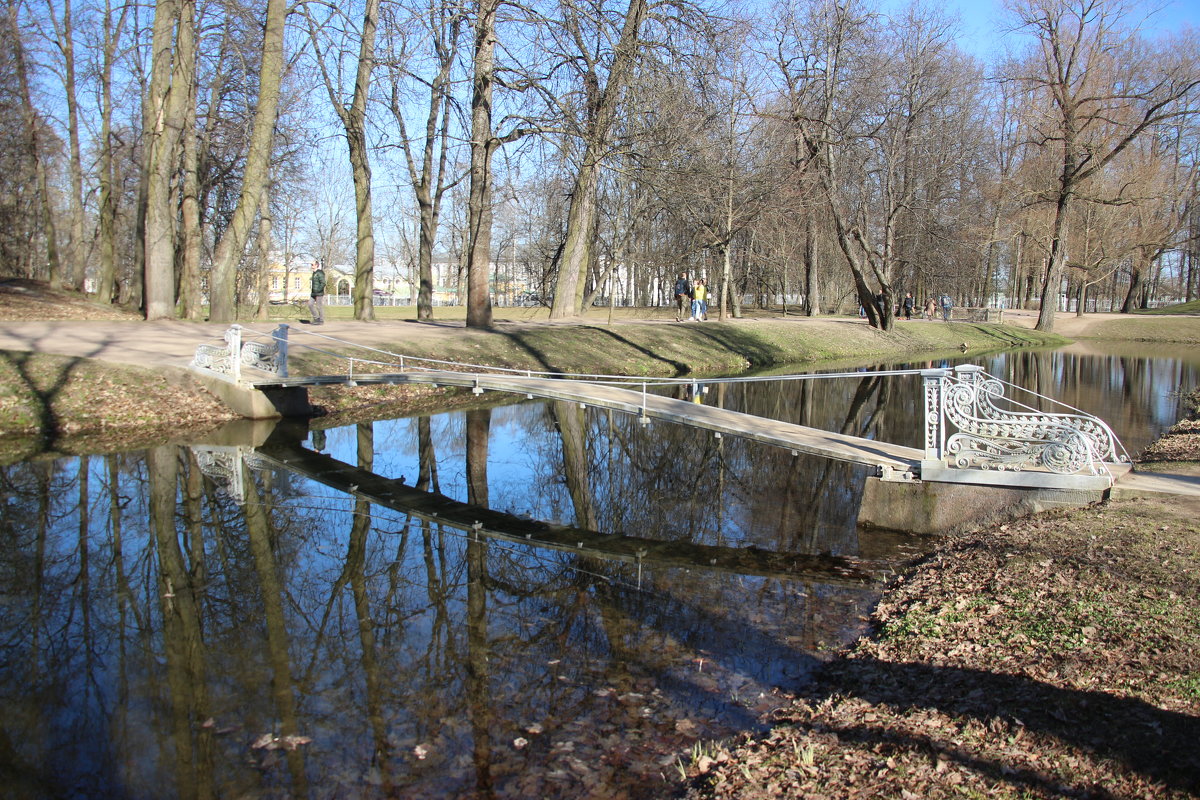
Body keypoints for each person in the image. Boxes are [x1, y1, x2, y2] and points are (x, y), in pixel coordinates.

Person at [309, 260, 326, 325]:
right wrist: (313, 290)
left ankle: (321, 320)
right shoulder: (314, 273)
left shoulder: (320, 273)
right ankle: (316, 318)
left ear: (316, 265)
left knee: (319, 306)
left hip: (319, 293)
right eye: (311, 264)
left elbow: (323, 283)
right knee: (310, 304)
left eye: (312, 264)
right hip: (313, 292)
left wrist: (318, 290)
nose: (311, 266)